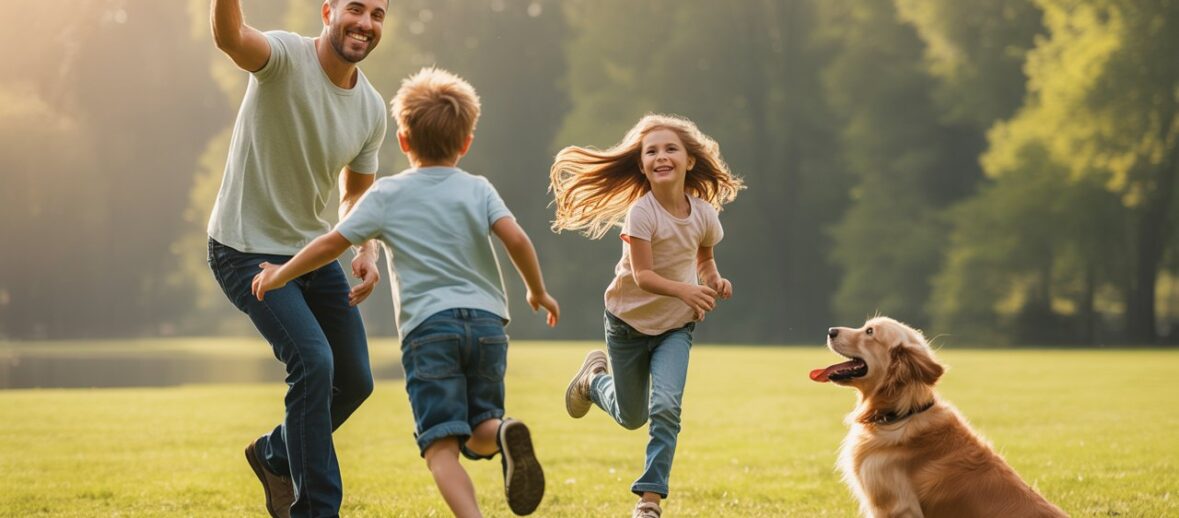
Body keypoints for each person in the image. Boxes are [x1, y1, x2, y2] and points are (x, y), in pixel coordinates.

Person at [252, 66, 560, 517]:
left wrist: (281, 274)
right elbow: (516, 238)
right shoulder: (478, 188)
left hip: (430, 329)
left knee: (440, 447)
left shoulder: (389, 194)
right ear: (466, 141)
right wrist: (537, 291)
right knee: (481, 429)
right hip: (489, 325)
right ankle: (506, 431)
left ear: (403, 139)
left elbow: (331, 243)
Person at [205, 1, 388, 516]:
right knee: (313, 363)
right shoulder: (284, 57)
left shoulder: (371, 108)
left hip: (308, 252)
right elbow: (231, 37)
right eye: (355, 9)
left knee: (355, 380)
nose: (365, 24)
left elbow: (355, 197)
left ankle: (273, 454)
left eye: (378, 14)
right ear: (328, 11)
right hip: (243, 247)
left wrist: (366, 248)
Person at [549, 114, 744, 518]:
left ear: (690, 160)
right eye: (651, 151)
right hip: (627, 324)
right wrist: (687, 288)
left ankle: (649, 499)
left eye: (670, 148)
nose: (661, 156)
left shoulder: (705, 214)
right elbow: (644, 275)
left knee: (667, 406)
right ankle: (592, 381)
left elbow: (704, 258)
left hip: (676, 326)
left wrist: (714, 280)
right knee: (631, 415)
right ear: (641, 165)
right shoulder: (642, 213)